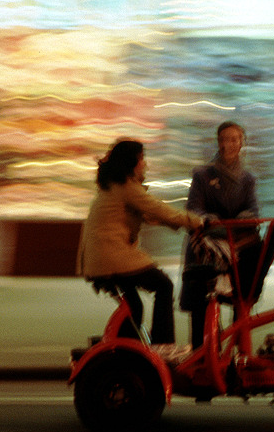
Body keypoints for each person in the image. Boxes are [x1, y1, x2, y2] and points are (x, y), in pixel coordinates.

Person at [78, 139, 203, 344]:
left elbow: (150, 215)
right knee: (164, 285)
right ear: (132, 161)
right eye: (142, 158)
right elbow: (157, 208)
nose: (145, 163)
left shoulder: (113, 186)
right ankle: (162, 345)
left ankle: (125, 350)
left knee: (134, 306)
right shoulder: (126, 186)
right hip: (111, 255)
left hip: (100, 257)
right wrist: (198, 222)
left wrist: (184, 224)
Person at [180, 121, 261, 348]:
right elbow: (194, 209)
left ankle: (238, 348)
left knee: (242, 294)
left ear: (241, 143)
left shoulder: (247, 179)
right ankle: (202, 352)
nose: (230, 144)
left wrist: (238, 222)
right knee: (202, 304)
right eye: (225, 139)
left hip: (237, 246)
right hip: (208, 245)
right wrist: (212, 222)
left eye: (235, 139)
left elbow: (253, 210)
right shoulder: (203, 175)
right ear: (219, 143)